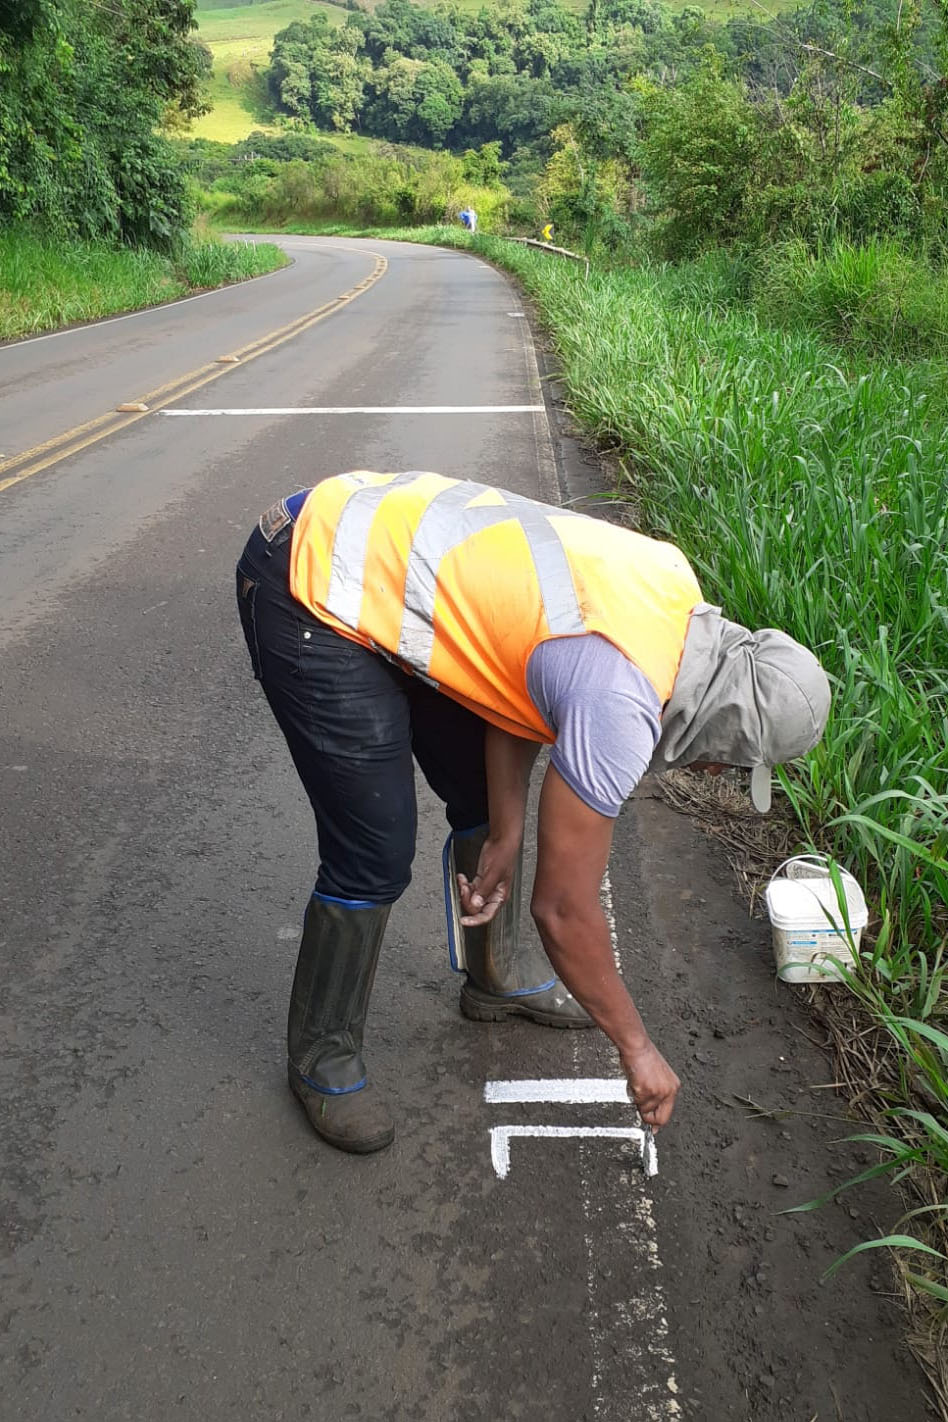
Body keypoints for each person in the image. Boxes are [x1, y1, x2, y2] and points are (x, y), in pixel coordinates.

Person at [236, 471, 831, 1155]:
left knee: (485, 803)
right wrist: (636, 1048)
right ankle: (323, 1058)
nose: (717, 773)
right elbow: (564, 910)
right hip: (313, 575)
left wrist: (508, 826)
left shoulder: (675, 595)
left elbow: (526, 667)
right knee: (372, 851)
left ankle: (495, 979)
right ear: (723, 726)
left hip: (387, 559)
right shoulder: (621, 703)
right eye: (732, 760)